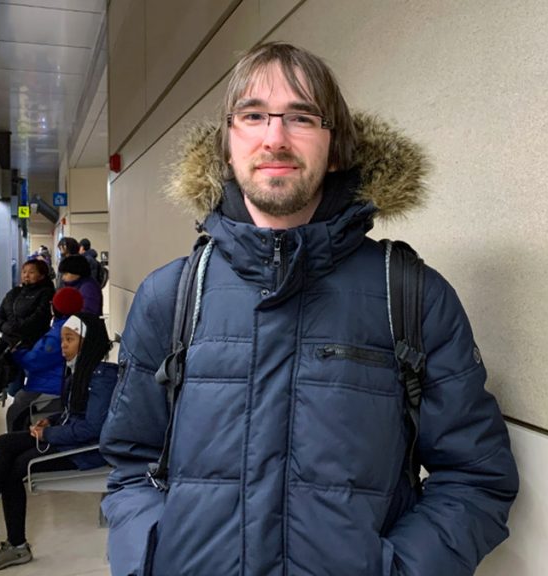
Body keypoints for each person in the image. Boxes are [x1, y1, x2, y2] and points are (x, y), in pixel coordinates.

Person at [99, 43, 518, 575]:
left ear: (335, 147)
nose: (275, 137)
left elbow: (475, 477)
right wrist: (154, 559)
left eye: (301, 117)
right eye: (253, 116)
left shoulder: (411, 296)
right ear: (227, 144)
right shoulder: (172, 296)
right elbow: (132, 468)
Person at [0, 313, 118, 572]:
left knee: (15, 467)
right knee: (4, 443)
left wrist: (49, 434)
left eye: (70, 339)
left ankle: (15, 544)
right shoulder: (78, 370)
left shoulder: (101, 378)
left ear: (88, 343)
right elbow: (73, 412)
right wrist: (52, 421)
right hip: (67, 439)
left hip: (84, 451)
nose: (63, 345)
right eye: (63, 339)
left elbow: (93, 427)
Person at [5, 287, 84, 432]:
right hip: (55, 384)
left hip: (47, 388)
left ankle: (15, 441)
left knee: (16, 411)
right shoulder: (73, 326)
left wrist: (16, 353)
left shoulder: (58, 334)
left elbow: (35, 361)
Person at [0, 259, 55, 349]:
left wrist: (17, 329)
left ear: (42, 276)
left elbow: (39, 317)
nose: (26, 275)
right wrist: (4, 326)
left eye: (31, 272)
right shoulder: (14, 292)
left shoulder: (46, 293)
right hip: (7, 342)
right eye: (24, 272)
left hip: (32, 344)